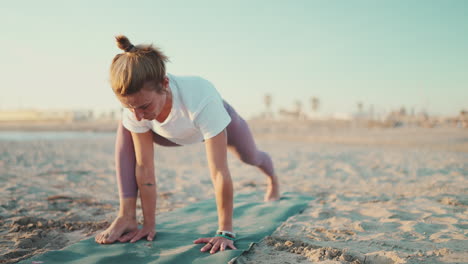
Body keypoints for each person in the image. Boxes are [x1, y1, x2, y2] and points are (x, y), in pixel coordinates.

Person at [94, 35, 280, 254]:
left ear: (165, 84)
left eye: (144, 106)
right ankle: (127, 217)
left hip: (213, 124)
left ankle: (273, 179)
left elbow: (219, 172)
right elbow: (145, 168)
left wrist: (225, 231)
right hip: (167, 134)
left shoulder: (201, 99)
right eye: (130, 107)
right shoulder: (137, 111)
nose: (138, 115)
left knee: (251, 157)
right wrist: (150, 225)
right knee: (125, 127)